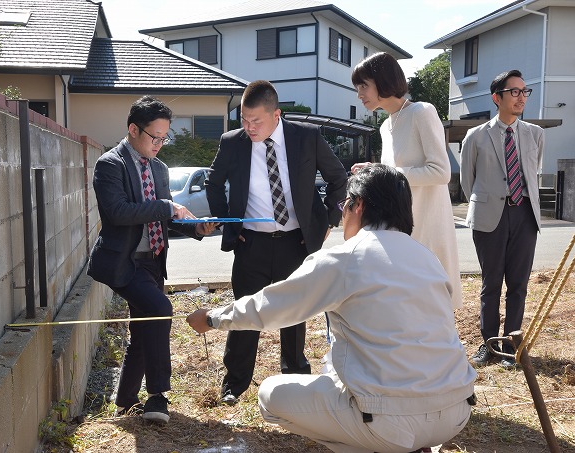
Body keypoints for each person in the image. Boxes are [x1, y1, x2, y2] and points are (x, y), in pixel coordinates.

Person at [188, 164, 477, 453]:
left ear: (358, 205)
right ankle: (410, 445)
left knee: (269, 395)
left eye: (344, 204)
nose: (342, 214)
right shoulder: (426, 256)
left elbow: (274, 306)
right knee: (334, 369)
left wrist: (213, 318)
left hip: (389, 419)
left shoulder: (345, 258)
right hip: (456, 412)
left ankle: (386, 447)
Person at [205, 80, 348, 405]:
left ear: (277, 115)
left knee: (295, 316)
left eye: (256, 121)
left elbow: (338, 179)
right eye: (244, 119)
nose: (249, 127)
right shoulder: (233, 142)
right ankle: (235, 384)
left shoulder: (306, 137)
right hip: (250, 243)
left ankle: (295, 378)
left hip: (296, 244)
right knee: (243, 314)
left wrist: (328, 222)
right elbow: (213, 184)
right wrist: (230, 223)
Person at [87, 95, 217, 424]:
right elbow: (118, 213)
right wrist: (166, 207)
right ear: (133, 129)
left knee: (144, 332)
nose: (160, 144)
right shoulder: (110, 164)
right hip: (124, 264)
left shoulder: (159, 168)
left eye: (165, 137)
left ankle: (125, 402)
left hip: (154, 260)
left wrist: (196, 226)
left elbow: (166, 217)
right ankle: (158, 396)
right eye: (154, 136)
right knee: (160, 309)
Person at [350, 52, 463, 310]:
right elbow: (395, 174)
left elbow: (440, 172)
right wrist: (376, 172)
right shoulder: (384, 126)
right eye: (357, 88)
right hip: (400, 226)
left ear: (383, 80)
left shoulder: (421, 111)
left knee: (431, 305)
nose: (359, 94)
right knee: (406, 308)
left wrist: (384, 169)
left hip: (428, 223)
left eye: (364, 86)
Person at [460, 70, 544, 368]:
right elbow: (467, 181)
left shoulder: (535, 134)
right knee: (491, 282)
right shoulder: (477, 136)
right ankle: (489, 345)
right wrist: (488, 202)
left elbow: (532, 175)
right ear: (497, 98)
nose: (521, 97)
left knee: (518, 284)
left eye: (525, 91)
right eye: (515, 92)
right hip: (489, 216)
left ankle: (511, 344)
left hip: (525, 215)